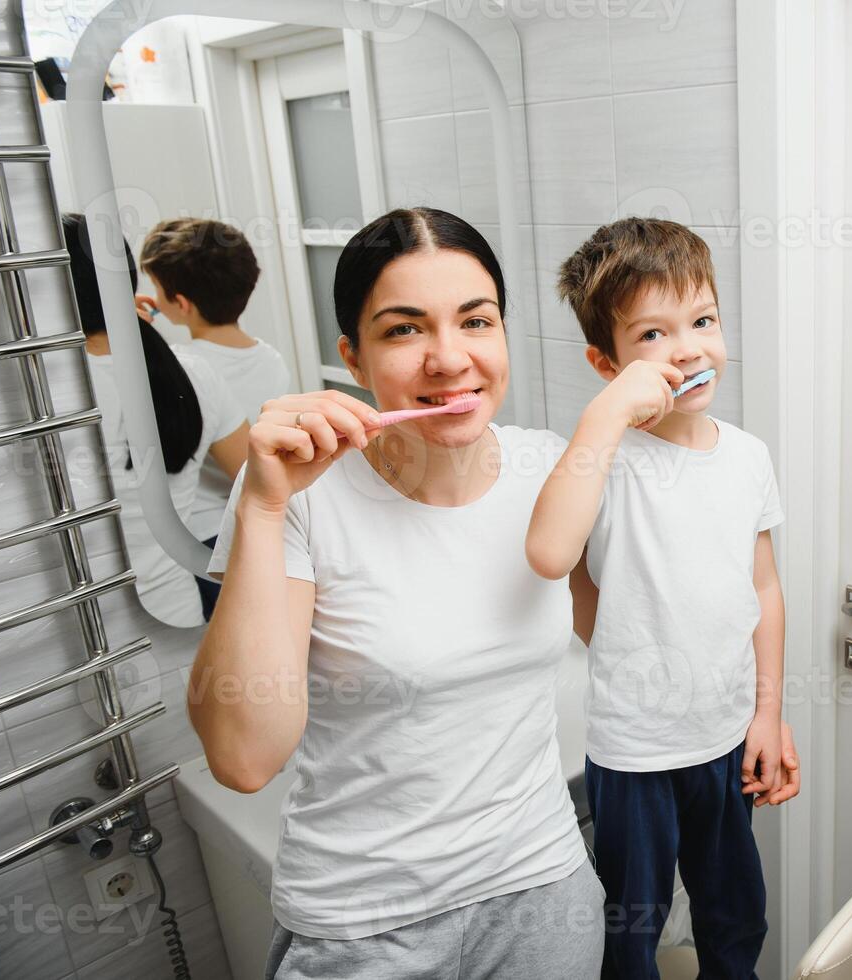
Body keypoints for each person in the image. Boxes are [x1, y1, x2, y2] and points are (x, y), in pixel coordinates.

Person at [188, 208, 799, 980]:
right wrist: (264, 508)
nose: (450, 358)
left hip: (547, 899)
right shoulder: (303, 493)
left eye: (476, 321)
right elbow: (244, 759)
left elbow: (656, 610)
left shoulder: (556, 468)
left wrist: (756, 715)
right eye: (405, 330)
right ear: (353, 354)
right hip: (368, 923)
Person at [526, 217, 793, 979]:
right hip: (635, 751)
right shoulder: (603, 460)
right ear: (604, 362)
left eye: (703, 320)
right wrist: (619, 646)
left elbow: (764, 589)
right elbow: (559, 561)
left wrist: (768, 713)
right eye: (653, 334)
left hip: (727, 734)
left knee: (735, 912)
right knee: (630, 930)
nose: (689, 348)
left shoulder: (747, 458)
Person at [64, 213, 248, 628]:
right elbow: (253, 478)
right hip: (177, 616)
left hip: (80, 633)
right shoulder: (192, 371)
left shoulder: (40, 401)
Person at [136, 217, 291, 620]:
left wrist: (142, 338)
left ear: (182, 304)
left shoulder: (185, 370)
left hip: (205, 536)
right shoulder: (270, 358)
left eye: (156, 287)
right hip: (261, 529)